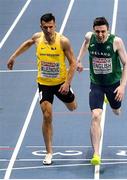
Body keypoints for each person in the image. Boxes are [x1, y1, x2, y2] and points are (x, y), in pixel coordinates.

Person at [7, 13, 77, 165]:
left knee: (73, 107)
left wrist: (67, 83)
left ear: (55, 25)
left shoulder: (63, 41)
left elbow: (73, 63)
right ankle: (49, 152)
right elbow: (28, 43)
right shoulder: (38, 38)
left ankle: (70, 94)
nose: (48, 30)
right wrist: (13, 56)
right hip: (44, 83)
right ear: (41, 27)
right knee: (46, 115)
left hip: (60, 83)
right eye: (45, 27)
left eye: (51, 27)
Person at [77, 17, 127, 165]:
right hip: (96, 84)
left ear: (108, 30)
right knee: (95, 115)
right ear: (94, 30)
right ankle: (96, 154)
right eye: (97, 31)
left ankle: (111, 102)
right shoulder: (90, 37)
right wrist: (79, 59)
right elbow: (85, 43)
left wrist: (122, 86)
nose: (100, 35)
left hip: (113, 84)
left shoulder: (116, 42)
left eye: (103, 31)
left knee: (117, 111)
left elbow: (126, 64)